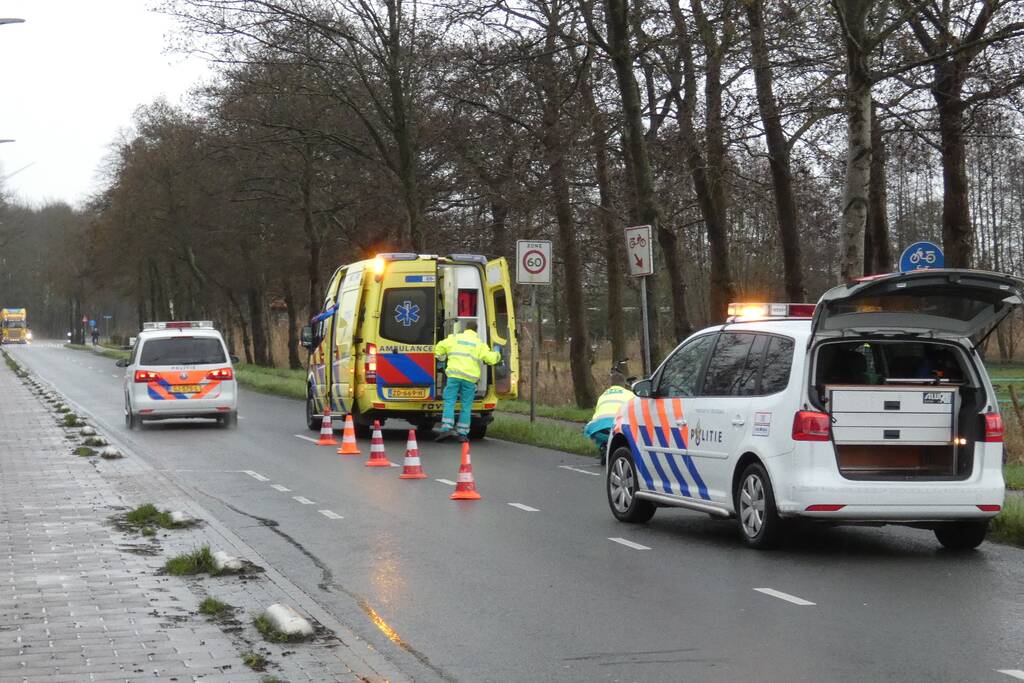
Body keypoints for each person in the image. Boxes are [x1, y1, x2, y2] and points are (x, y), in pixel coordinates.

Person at [434, 320, 500, 442]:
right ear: (475, 330)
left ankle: (446, 428)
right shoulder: (479, 344)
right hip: (469, 379)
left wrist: (441, 358)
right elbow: (490, 359)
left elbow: (439, 348)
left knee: (450, 402)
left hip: (454, 377)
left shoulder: (454, 339)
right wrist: (497, 354)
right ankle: (462, 433)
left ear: (465, 328)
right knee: (466, 406)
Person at [584, 361, 636, 464]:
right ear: (624, 384)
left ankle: (603, 447)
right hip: (617, 430)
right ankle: (618, 451)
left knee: (591, 427)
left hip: (598, 430)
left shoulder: (603, 395)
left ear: (611, 384)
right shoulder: (630, 395)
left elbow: (596, 415)